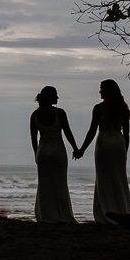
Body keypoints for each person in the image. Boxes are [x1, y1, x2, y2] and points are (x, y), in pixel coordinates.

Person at [73, 79, 130, 224]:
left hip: (104, 144)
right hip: (119, 144)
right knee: (119, 178)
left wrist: (82, 149)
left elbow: (92, 131)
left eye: (101, 88)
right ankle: (122, 210)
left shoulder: (99, 108)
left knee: (104, 178)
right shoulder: (123, 107)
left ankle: (106, 212)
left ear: (108, 90)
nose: (99, 91)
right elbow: (126, 134)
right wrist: (125, 151)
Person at [30, 86, 79, 224]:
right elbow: (68, 133)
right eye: (56, 95)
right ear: (50, 97)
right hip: (58, 150)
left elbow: (33, 138)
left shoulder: (34, 115)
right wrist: (75, 148)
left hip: (43, 151)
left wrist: (36, 154)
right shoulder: (60, 113)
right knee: (60, 184)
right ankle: (62, 215)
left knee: (44, 185)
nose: (58, 98)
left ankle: (45, 215)